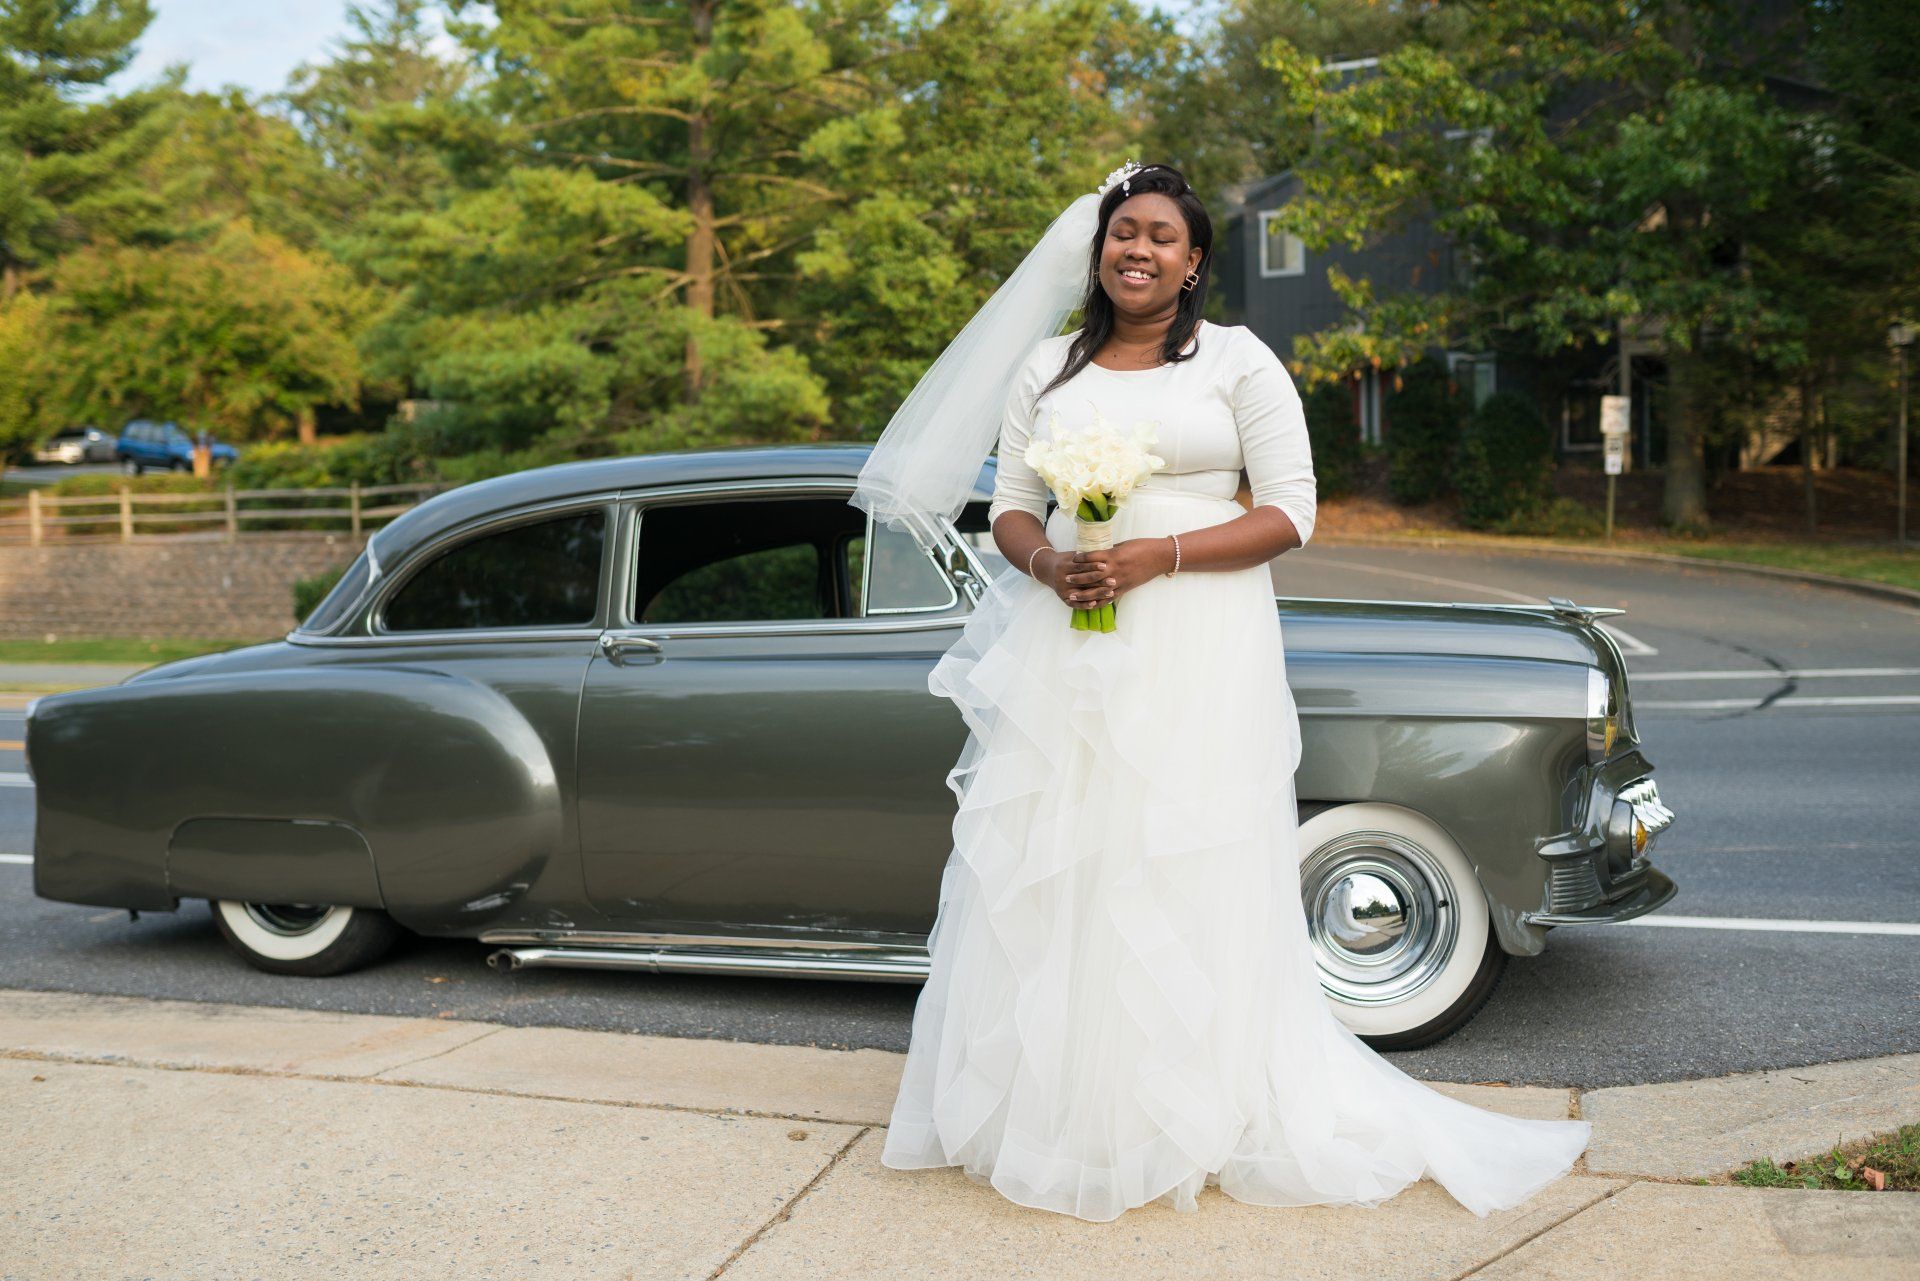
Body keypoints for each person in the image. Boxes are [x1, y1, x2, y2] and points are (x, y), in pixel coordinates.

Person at [852, 161, 1591, 1223]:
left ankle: (1198, 1108)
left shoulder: (1241, 365)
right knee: (1070, 855)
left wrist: (1160, 554)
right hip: (1069, 635)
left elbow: (1291, 512)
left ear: (1194, 261)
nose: (1137, 250)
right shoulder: (1047, 370)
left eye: (1160, 236)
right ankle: (1062, 1111)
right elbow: (1012, 507)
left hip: (1199, 636)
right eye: (1122, 233)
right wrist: (1050, 565)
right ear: (1098, 250)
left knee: (1179, 849)